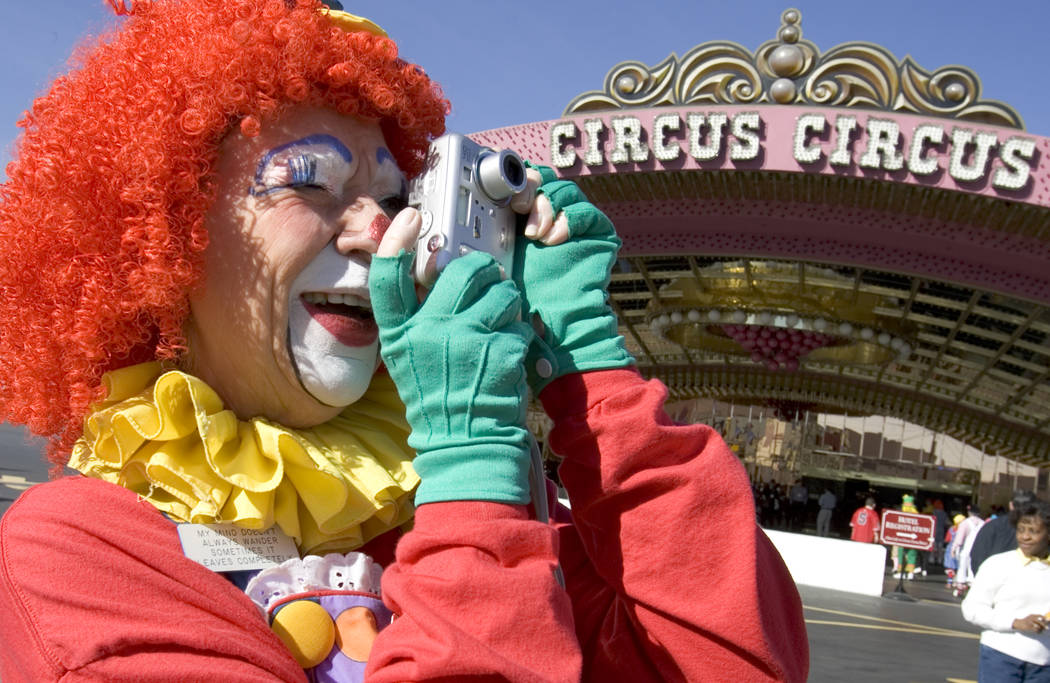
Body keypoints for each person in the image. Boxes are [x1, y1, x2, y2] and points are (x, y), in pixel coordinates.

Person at [0, 1, 808, 681]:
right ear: (162, 240)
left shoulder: (451, 496)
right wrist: (468, 485)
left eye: (393, 196)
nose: (376, 228)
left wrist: (587, 362)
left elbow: (733, 658)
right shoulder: (75, 550)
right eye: (309, 182)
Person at [962, 500, 1050, 682]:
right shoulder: (998, 564)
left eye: (1033, 531)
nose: (1024, 537)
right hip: (1000, 658)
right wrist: (1015, 622)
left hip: (1044, 665)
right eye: (1020, 530)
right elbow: (971, 609)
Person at [970, 490, 1037, 575]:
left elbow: (977, 557)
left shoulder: (991, 526)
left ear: (1010, 505)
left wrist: (984, 580)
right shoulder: (1040, 531)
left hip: (991, 579)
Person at [953, 505, 987, 597]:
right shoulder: (983, 524)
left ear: (969, 512)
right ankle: (972, 586)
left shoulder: (965, 523)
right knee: (973, 569)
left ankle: (960, 586)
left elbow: (959, 539)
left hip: (966, 549)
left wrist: (954, 548)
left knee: (962, 568)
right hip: (978, 550)